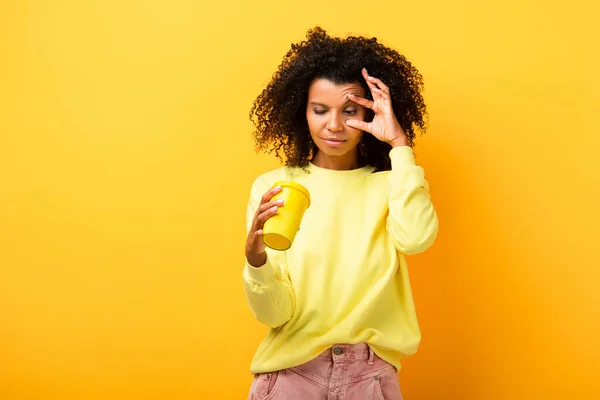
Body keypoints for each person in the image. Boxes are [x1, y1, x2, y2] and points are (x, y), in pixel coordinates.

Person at [242, 26, 438, 399]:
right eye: (320, 110)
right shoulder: (275, 186)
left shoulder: (391, 184)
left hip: (369, 377)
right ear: (301, 111)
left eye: (349, 111)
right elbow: (275, 315)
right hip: (291, 374)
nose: (333, 125)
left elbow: (416, 240)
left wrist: (399, 144)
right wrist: (256, 262)